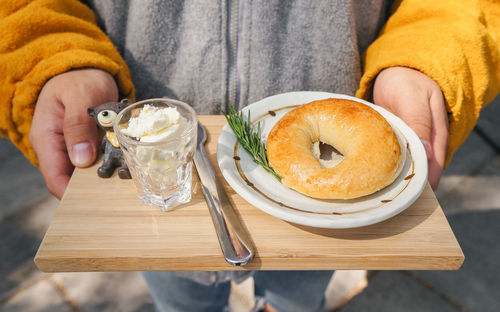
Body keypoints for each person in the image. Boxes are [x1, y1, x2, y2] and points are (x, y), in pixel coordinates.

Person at [1, 0, 499, 311]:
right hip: (161, 176)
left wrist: (430, 56)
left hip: (322, 218)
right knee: (182, 301)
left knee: (297, 299)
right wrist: (49, 53)